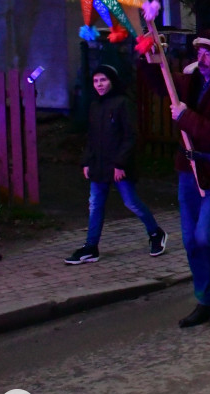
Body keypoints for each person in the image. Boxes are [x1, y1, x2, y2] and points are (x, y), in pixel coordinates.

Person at [142, 31, 210, 327]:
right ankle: (205, 298)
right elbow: (161, 84)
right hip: (188, 171)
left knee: (204, 236)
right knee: (190, 241)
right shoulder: (192, 78)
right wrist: (151, 57)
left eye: (209, 53)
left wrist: (186, 117)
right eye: (198, 52)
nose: (201, 58)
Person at [66, 64, 166, 264]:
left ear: (112, 81)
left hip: (119, 166)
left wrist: (120, 164)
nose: (99, 85)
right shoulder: (95, 106)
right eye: (96, 81)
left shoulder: (122, 103)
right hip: (98, 165)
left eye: (103, 80)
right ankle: (91, 247)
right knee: (95, 205)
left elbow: (130, 136)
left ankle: (156, 233)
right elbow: (92, 137)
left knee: (131, 202)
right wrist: (87, 161)